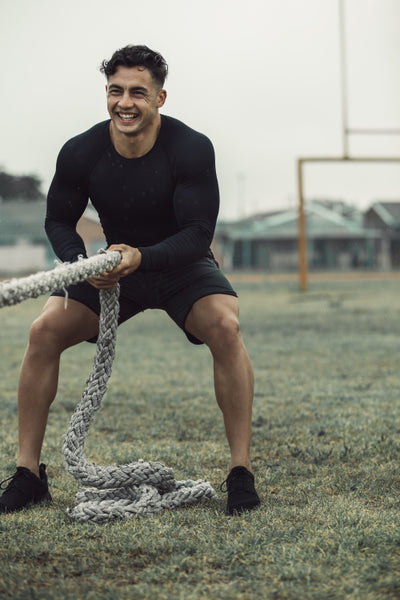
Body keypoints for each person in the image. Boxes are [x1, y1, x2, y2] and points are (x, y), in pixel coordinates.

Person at [0, 45, 260, 516]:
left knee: (226, 327)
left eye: (138, 92)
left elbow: (198, 232)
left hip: (179, 263)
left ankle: (240, 471)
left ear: (160, 97)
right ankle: (27, 473)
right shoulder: (81, 150)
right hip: (111, 267)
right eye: (116, 90)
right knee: (42, 332)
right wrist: (82, 262)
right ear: (106, 93)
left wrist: (142, 257)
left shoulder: (191, 147)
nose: (125, 102)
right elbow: (58, 220)